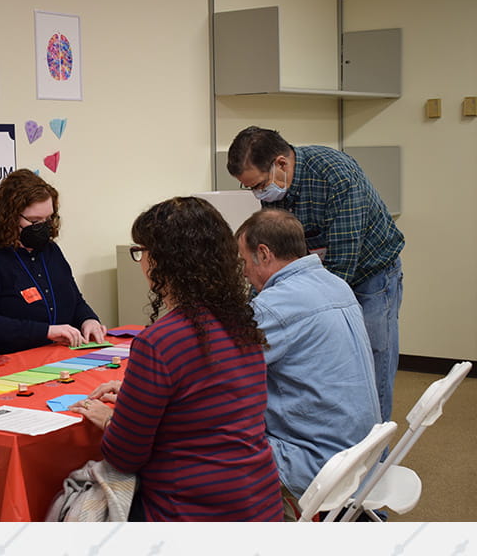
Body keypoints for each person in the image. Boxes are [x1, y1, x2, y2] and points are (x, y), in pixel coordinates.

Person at [70, 197, 283, 522]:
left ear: (162, 261)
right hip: (260, 506)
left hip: (190, 514)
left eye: (141, 252)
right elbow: (201, 409)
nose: (139, 261)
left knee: (71, 500)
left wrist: (111, 419)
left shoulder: (159, 343)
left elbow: (125, 456)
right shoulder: (243, 325)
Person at [227, 126, 404, 423]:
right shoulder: (275, 188)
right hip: (321, 274)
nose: (259, 194)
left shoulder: (336, 175)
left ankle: (376, 456)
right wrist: (252, 312)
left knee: (373, 364)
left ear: (281, 164)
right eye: (251, 189)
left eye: (258, 185)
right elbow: (273, 261)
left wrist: (295, 309)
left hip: (370, 272)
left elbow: (341, 266)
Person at [235, 208, 382, 520]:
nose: (244, 272)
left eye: (244, 261)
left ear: (263, 254)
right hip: (361, 454)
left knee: (200, 443)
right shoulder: (335, 284)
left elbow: (217, 371)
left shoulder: (275, 306)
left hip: (317, 462)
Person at [0, 169, 106, 360]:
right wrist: (45, 331)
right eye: (36, 221)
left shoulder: (51, 251)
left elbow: (74, 300)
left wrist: (88, 320)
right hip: (12, 361)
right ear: (10, 217)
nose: (44, 227)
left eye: (49, 219)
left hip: (60, 355)